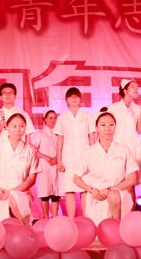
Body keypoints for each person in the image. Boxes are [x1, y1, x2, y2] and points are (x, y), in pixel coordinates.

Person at [74, 111, 138, 225]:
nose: (107, 129)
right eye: (103, 125)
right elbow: (76, 178)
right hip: (96, 196)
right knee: (97, 229)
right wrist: (91, 190)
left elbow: (132, 178)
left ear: (115, 127)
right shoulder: (89, 152)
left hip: (118, 195)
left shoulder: (123, 150)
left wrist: (111, 189)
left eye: (111, 125)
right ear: (96, 128)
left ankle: (116, 226)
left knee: (113, 195)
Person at [0, 113, 40, 224]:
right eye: (14, 126)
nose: (18, 130)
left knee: (15, 201)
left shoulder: (30, 150)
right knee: (2, 227)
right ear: (6, 127)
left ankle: (25, 226)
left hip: (21, 193)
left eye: (22, 126)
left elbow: (32, 178)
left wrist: (12, 192)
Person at [54, 87, 96, 217]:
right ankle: (71, 220)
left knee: (85, 189)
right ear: (66, 100)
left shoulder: (87, 116)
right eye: (71, 96)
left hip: (85, 155)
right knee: (69, 189)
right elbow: (60, 141)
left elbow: (92, 138)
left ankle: (86, 218)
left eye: (76, 96)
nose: (74, 99)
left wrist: (94, 157)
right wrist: (59, 161)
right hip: (68, 157)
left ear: (80, 99)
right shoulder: (62, 118)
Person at [108, 79, 141, 206]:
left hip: (132, 147)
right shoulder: (114, 108)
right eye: (132, 87)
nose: (136, 89)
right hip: (118, 147)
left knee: (131, 183)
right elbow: (108, 129)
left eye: (137, 87)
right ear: (125, 90)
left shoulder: (137, 108)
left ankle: (130, 213)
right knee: (117, 179)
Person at [31, 110, 60, 218]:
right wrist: (46, 158)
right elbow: (32, 150)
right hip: (44, 166)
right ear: (45, 120)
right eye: (50, 118)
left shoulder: (59, 134)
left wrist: (57, 159)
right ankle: (46, 217)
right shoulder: (40, 134)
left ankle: (55, 217)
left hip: (56, 165)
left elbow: (63, 149)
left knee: (56, 193)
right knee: (45, 193)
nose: (53, 120)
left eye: (54, 118)